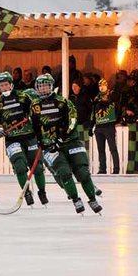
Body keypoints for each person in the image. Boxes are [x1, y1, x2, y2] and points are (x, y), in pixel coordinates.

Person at [30, 74, 102, 214]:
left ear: (51, 86)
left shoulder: (63, 102)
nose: (43, 88)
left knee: (83, 173)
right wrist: (42, 141)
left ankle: (92, 199)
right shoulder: (35, 106)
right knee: (64, 173)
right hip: (51, 146)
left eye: (45, 85)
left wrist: (60, 138)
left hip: (71, 141)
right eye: (40, 86)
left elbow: (72, 121)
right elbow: (35, 126)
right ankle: (76, 200)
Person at [0, 72, 47, 206]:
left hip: (30, 137)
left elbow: (36, 110)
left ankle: (42, 192)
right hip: (12, 140)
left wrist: (34, 117)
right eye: (2, 85)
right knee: (19, 167)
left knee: (37, 168)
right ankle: (27, 193)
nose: (5, 87)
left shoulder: (23, 97)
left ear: (11, 84)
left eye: (6, 84)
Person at [90, 79, 120, 174]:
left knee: (113, 148)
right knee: (101, 150)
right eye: (100, 86)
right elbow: (93, 113)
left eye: (103, 85)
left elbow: (115, 105)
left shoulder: (111, 96)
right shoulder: (96, 98)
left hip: (109, 126)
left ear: (107, 86)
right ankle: (102, 169)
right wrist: (91, 126)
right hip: (99, 127)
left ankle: (116, 169)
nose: (101, 87)